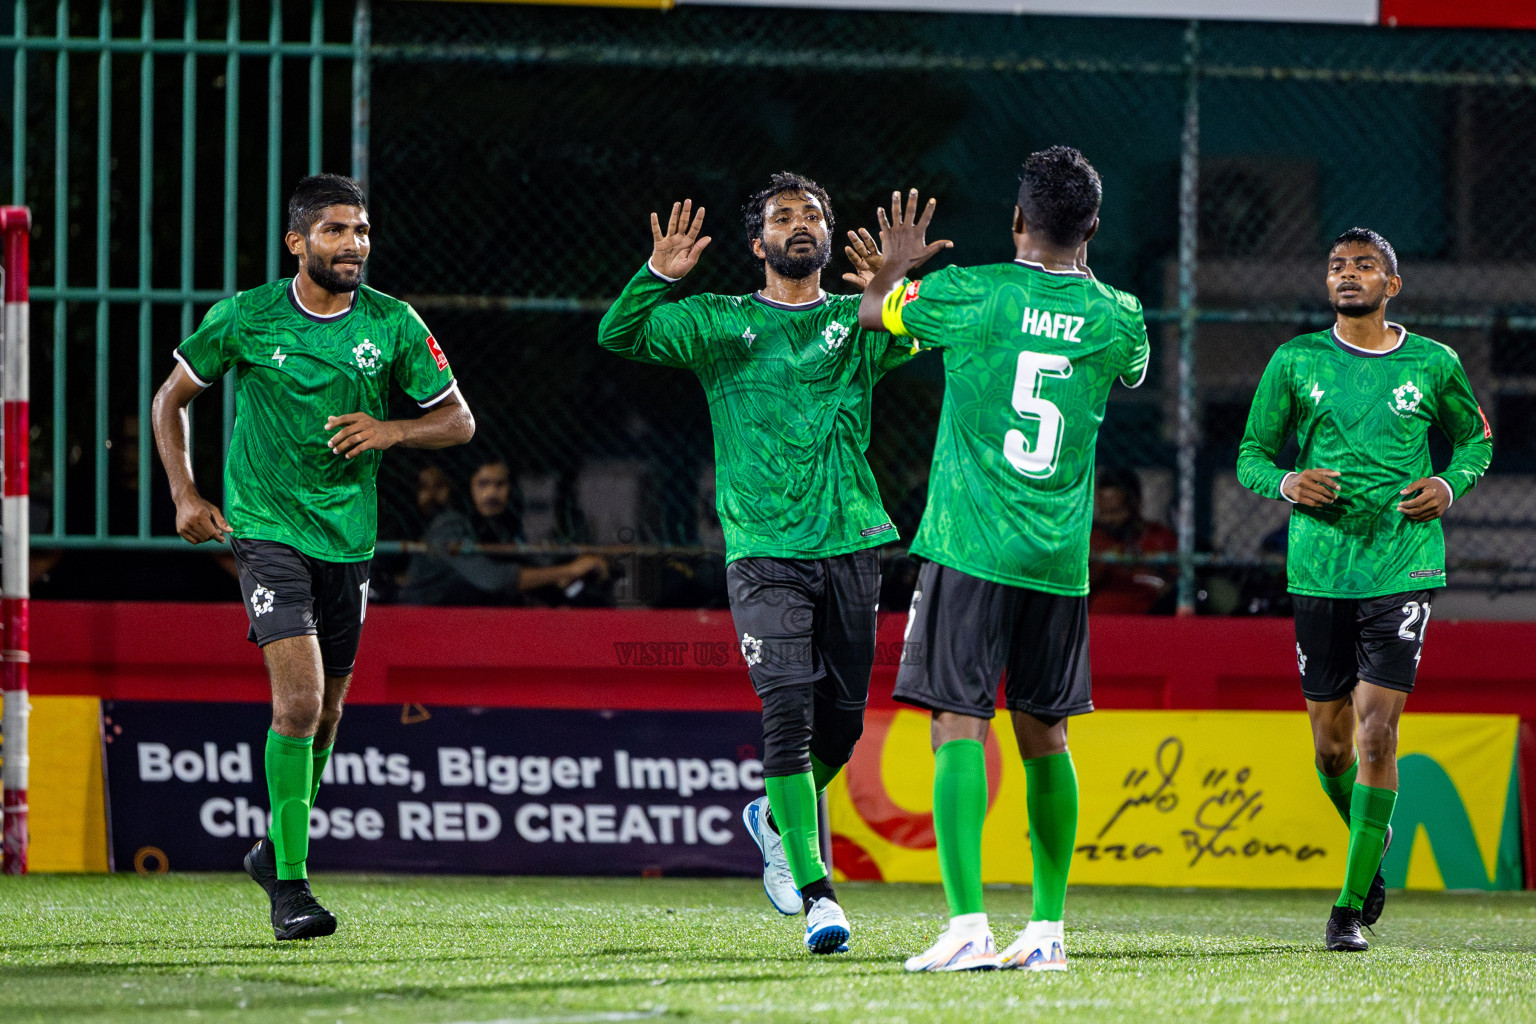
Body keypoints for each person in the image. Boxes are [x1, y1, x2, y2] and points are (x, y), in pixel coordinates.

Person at [151, 173, 476, 940]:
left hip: (348, 540)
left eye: (361, 230)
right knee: (298, 703)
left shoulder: (394, 323)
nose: (353, 244)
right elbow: (171, 399)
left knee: (328, 712)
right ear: (297, 241)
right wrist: (185, 494)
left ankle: (273, 848)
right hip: (267, 530)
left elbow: (458, 421)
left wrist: (392, 430)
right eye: (335, 230)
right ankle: (291, 888)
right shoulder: (248, 316)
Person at [597, 172, 914, 955]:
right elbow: (619, 334)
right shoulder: (718, 320)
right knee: (788, 711)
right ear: (756, 243)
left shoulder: (856, 320)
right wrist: (657, 275)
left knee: (842, 727)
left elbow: (928, 331)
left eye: (813, 214)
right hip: (764, 551)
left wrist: (894, 285)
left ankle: (773, 816)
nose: (799, 223)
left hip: (852, 542)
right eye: (782, 216)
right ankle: (817, 895)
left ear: (829, 236)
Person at [857, 147, 1150, 972]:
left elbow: (875, 314)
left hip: (972, 544)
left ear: (1017, 219)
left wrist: (893, 268)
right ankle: (1047, 931)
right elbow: (1131, 370)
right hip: (1059, 559)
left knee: (957, 723)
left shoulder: (969, 292)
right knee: (1046, 735)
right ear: (1093, 226)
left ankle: (967, 927)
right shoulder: (1120, 315)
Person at [1236, 227, 1491, 952]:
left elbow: (1475, 440)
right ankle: (1371, 841)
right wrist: (1287, 482)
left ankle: (1348, 908)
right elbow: (1252, 455)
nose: (1348, 275)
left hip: (1403, 567)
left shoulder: (1434, 363)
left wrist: (1449, 483)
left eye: (1365, 266)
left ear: (1392, 284)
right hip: (1320, 570)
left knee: (1379, 732)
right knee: (1330, 749)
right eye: (1337, 266)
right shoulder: (1295, 361)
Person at [398, 455, 608, 605]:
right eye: (483, 484)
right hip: (418, 621)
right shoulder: (450, 527)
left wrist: (565, 577)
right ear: (468, 488)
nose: (492, 493)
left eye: (500, 484)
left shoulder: (500, 527)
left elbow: (526, 566)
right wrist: (569, 570)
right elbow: (494, 580)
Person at [1088, 466, 1177, 614]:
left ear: (1137, 502)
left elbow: (1177, 584)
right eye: (1104, 513)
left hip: (1151, 618)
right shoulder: (1093, 539)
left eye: (1116, 512)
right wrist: (1106, 562)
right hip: (1103, 620)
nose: (1108, 519)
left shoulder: (1160, 537)